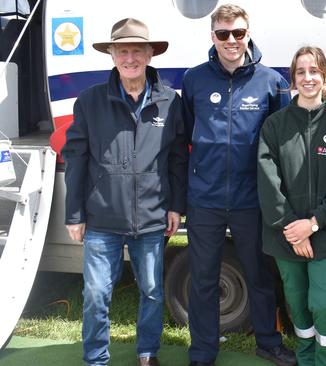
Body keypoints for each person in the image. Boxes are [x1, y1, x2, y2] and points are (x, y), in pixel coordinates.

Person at [62, 18, 187, 366]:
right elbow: (76, 158)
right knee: (96, 294)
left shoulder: (169, 102)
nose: (129, 58)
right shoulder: (90, 101)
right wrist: (75, 214)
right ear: (113, 56)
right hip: (102, 218)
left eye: (136, 51)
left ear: (149, 54)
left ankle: (147, 353)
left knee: (151, 290)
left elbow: (178, 158)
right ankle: (96, 358)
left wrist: (176, 205)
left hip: (151, 218)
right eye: (122, 51)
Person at [180, 4, 295, 366]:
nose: (232, 40)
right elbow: (184, 137)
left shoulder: (272, 81)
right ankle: (202, 350)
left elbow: (283, 145)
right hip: (205, 199)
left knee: (260, 274)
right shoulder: (194, 79)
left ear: (248, 34)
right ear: (212, 36)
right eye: (223, 33)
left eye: (239, 33)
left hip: (251, 199)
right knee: (203, 279)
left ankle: (268, 342)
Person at [258, 46, 326, 366]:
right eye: (300, 72)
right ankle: (305, 358)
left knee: (325, 304)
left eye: (314, 71)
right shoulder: (275, 125)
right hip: (285, 235)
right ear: (293, 79)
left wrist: (312, 225)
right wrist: (294, 229)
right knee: (298, 305)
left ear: (325, 76)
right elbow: (267, 180)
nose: (308, 77)